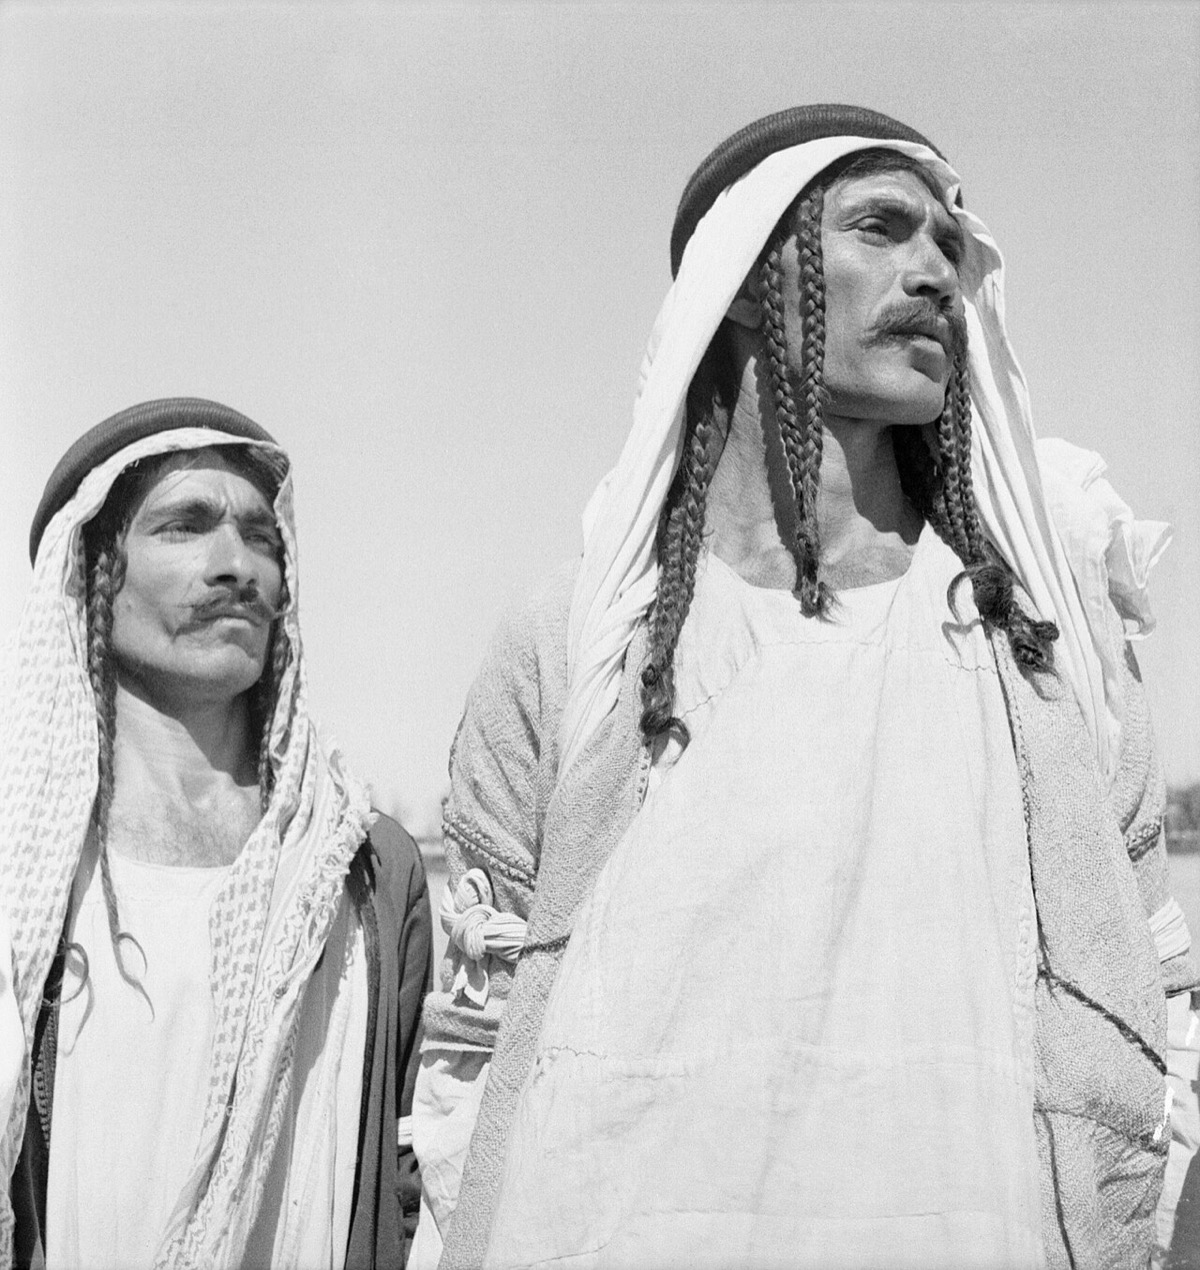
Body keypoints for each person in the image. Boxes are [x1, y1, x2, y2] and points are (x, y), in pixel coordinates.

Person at [412, 106, 1200, 1269]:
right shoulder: (577, 639)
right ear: (740, 281)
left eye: (948, 242)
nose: (935, 271)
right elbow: (474, 1040)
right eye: (882, 227)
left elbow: (1161, 1008)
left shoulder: (1041, 650)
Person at [0, 397, 432, 1269]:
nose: (237, 565)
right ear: (94, 573)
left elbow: (410, 1171)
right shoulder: (23, 863)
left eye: (262, 538)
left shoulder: (364, 868)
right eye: (184, 525)